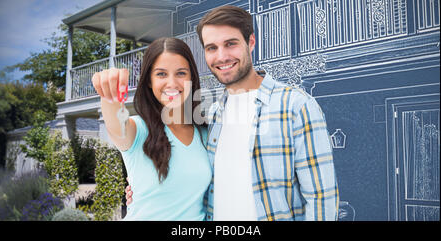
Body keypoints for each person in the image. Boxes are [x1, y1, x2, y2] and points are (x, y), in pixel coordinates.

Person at [127, 5, 339, 221]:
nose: (222, 56)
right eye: (211, 48)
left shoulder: (296, 106)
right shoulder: (212, 115)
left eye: (230, 44)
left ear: (251, 42)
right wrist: (143, 190)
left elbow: (322, 198)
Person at [92, 37, 211, 220]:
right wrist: (109, 92)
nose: (172, 83)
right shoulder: (137, 130)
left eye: (181, 73)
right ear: (149, 80)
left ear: (191, 79)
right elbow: (116, 123)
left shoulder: (206, 134)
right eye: (161, 74)